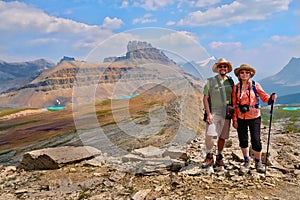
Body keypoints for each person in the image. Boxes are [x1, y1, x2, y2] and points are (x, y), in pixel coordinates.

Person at [232, 64, 276, 174]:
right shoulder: (236, 87)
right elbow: (233, 104)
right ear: (239, 75)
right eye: (242, 72)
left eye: (247, 72)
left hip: (254, 116)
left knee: (256, 140)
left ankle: (258, 162)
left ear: (250, 74)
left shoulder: (255, 85)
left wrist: (270, 99)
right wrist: (234, 119)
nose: (244, 74)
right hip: (240, 116)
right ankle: (247, 160)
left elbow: (264, 96)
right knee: (243, 140)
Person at [202, 58, 234, 169]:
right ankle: (209, 155)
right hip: (214, 112)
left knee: (222, 136)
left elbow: (233, 97)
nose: (223, 68)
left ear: (227, 69)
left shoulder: (230, 81)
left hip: (226, 113)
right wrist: (208, 113)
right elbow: (205, 98)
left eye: (225, 66)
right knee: (209, 135)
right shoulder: (210, 82)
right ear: (217, 68)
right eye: (220, 66)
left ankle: (219, 156)